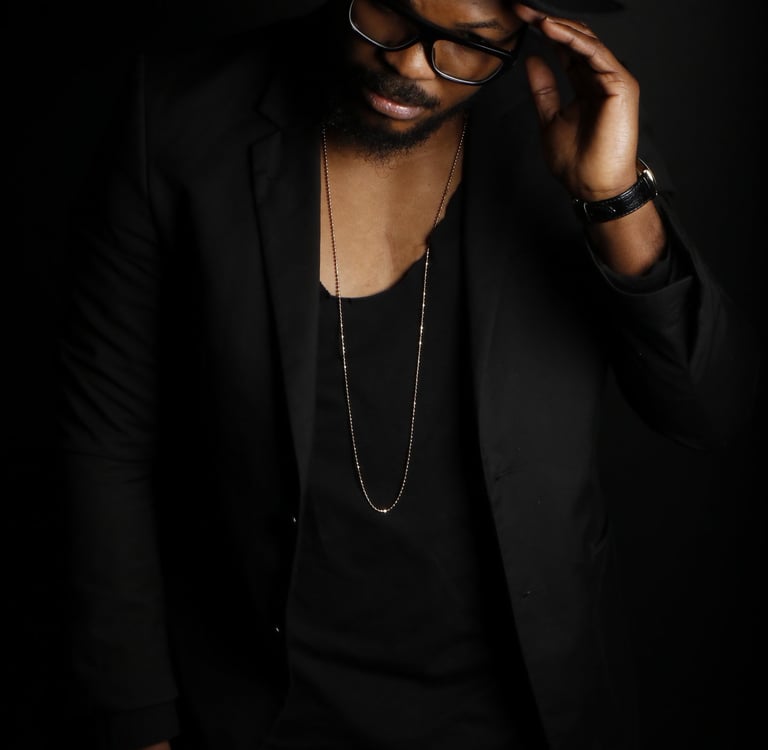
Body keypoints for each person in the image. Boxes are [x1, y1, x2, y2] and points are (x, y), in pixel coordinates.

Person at [57, 1, 761, 749]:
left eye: (469, 43)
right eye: (390, 12)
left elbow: (708, 411)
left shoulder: (570, 133)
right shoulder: (184, 115)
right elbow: (105, 440)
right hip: (256, 710)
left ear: (529, 28)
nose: (409, 63)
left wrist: (612, 200)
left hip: (521, 715)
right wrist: (137, 719)